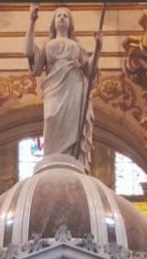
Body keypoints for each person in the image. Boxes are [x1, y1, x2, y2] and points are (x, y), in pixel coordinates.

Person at [25, 4, 101, 168]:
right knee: (51, 117)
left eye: (65, 16)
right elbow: (29, 53)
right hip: (54, 87)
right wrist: (32, 21)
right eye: (58, 16)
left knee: (72, 124)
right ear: (53, 22)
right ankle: (52, 159)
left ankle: (71, 161)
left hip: (74, 87)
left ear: (70, 23)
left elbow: (89, 69)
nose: (61, 18)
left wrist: (98, 48)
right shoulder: (47, 45)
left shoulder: (77, 46)